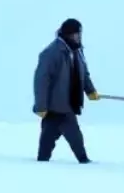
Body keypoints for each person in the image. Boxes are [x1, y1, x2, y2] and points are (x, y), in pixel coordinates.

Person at [33, 18, 100, 164]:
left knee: (76, 138)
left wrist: (90, 91)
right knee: (46, 144)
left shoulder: (77, 51)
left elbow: (83, 74)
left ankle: (84, 161)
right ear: (69, 34)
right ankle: (40, 167)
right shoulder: (51, 53)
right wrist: (41, 106)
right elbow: (41, 81)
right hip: (52, 109)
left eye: (80, 34)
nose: (79, 37)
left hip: (67, 106)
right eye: (77, 34)